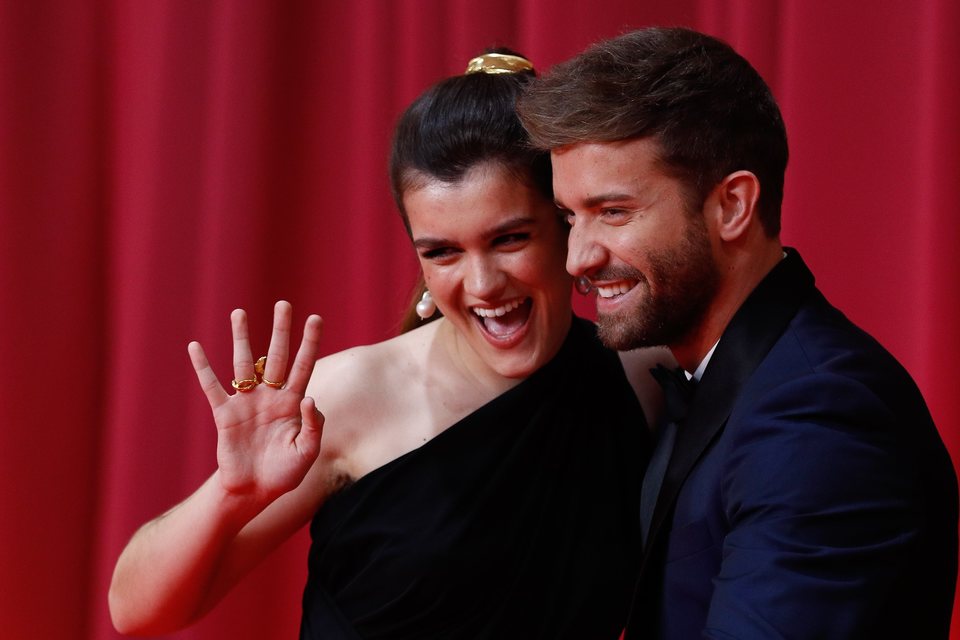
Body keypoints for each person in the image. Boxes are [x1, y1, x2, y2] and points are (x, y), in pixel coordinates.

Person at [109, 49, 657, 639]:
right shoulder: (344, 397)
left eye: (510, 239)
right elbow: (138, 613)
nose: (481, 284)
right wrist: (230, 494)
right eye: (441, 252)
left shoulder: (639, 380)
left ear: (565, 228)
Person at [517, 26, 959, 639]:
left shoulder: (818, 413)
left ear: (731, 206)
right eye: (572, 217)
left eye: (613, 211)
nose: (577, 259)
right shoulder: (727, 379)